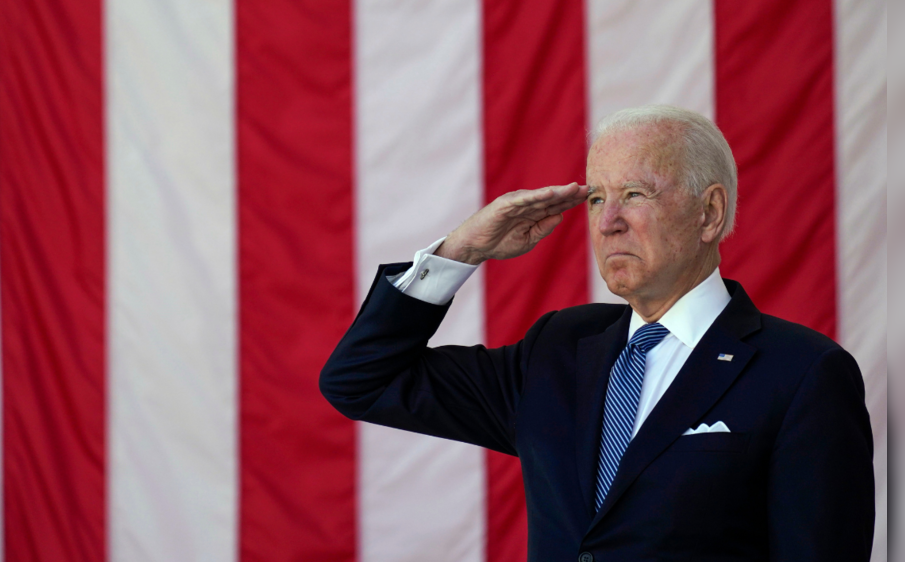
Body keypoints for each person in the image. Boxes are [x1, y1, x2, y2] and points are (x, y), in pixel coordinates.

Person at [319, 105, 875, 561]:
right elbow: (361, 380)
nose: (608, 221)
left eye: (634, 194)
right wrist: (462, 251)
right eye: (595, 199)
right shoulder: (558, 350)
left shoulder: (803, 372)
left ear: (709, 213)